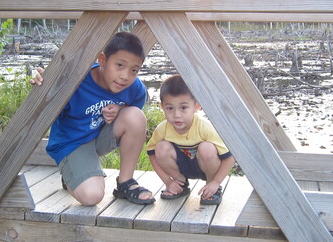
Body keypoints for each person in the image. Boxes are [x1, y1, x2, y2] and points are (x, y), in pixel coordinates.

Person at [32, 31, 155, 206]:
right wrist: (44, 87)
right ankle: (71, 176)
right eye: (120, 65)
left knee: (135, 116)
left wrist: (120, 109)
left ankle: (125, 182)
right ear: (102, 60)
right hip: (72, 143)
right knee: (92, 196)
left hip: (99, 137)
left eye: (134, 70)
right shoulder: (76, 81)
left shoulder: (134, 88)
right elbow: (44, 109)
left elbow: (134, 110)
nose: (125, 76)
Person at [146, 74, 234, 205]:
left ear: (196, 107)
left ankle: (212, 188)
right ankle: (180, 184)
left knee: (207, 148)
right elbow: (152, 154)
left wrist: (216, 182)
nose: (176, 115)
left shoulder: (205, 128)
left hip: (206, 166)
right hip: (180, 167)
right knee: (161, 147)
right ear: (162, 107)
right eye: (170, 108)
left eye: (183, 108)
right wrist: (168, 181)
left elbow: (229, 158)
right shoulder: (162, 129)